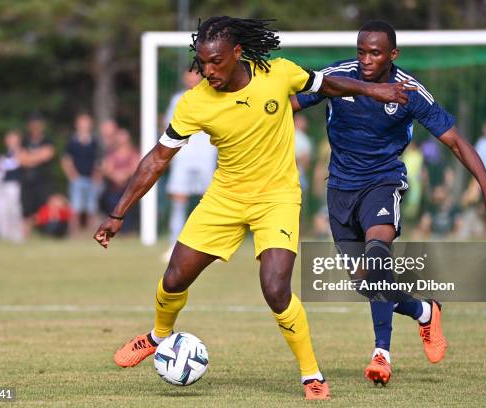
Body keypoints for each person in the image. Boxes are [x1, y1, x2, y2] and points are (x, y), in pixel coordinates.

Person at [93, 16, 413, 400]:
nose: (207, 71)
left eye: (215, 62)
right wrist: (118, 213)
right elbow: (157, 159)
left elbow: (327, 84)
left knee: (276, 289)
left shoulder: (277, 73)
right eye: (202, 62)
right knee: (174, 278)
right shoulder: (195, 102)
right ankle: (158, 336)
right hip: (224, 199)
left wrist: (371, 91)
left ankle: (311, 375)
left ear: (237, 53)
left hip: (276, 199)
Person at [293, 20, 486, 386]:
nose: (366, 59)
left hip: (383, 182)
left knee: (378, 254)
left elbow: (457, 142)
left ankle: (382, 354)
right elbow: (287, 102)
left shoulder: (410, 91)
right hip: (340, 190)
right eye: (362, 50)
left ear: (392, 55)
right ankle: (425, 311)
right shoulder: (337, 77)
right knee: (364, 281)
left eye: (375, 52)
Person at [163, 70, 217, 261]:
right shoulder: (178, 99)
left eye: (195, 75)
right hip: (183, 156)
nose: (192, 79)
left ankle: (213, 247)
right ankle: (174, 245)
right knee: (179, 201)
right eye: (189, 76)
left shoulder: (214, 96)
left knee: (213, 202)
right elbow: (167, 126)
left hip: (206, 156)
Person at [61, 113, 101, 234]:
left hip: (91, 179)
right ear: (77, 124)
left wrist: (97, 175)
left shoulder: (94, 141)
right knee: (75, 208)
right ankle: (74, 233)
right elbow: (66, 159)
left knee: (92, 208)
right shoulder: (72, 141)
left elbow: (99, 161)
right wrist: (72, 176)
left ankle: (92, 234)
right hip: (77, 179)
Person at [18, 114, 55, 237]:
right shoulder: (24, 140)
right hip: (27, 182)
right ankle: (26, 236)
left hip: (43, 182)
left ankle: (43, 234)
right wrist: (38, 156)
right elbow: (21, 159)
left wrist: (30, 157)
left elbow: (48, 154)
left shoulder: (48, 140)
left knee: (43, 209)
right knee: (26, 210)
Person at [101, 128, 140, 232]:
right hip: (114, 188)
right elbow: (106, 168)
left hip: (129, 187)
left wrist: (124, 175)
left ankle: (127, 231)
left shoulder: (133, 152)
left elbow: (135, 167)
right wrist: (115, 176)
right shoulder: (111, 153)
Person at [0, 130, 23, 242]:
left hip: (13, 185)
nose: (12, 141)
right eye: (10, 139)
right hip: (1, 185)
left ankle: (16, 236)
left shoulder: (20, 152)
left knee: (13, 210)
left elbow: (16, 163)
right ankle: (3, 235)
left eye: (14, 139)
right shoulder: (5, 154)